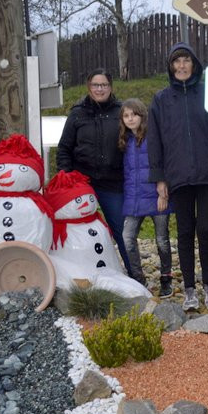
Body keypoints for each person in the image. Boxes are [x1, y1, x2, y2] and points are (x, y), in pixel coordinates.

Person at [148, 42, 208, 311]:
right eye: (177, 62)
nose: (182, 66)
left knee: (206, 229)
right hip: (178, 177)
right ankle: (189, 289)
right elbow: (155, 141)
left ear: (194, 64)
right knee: (185, 232)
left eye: (186, 61)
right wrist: (160, 177)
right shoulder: (161, 100)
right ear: (171, 66)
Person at [57, 68, 132, 278]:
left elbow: (135, 143)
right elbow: (64, 148)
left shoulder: (121, 111)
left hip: (113, 182)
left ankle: (134, 273)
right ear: (89, 87)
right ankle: (76, 274)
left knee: (122, 230)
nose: (100, 89)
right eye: (95, 85)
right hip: (83, 183)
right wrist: (66, 177)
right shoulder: (77, 113)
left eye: (104, 85)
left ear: (111, 87)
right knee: (76, 230)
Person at [118, 98, 174, 296]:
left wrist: (164, 189)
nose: (130, 118)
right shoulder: (125, 140)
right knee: (127, 238)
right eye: (126, 115)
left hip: (157, 196)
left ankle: (166, 277)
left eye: (134, 114)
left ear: (142, 115)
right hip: (134, 198)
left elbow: (165, 162)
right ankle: (137, 278)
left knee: (161, 239)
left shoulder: (154, 137)